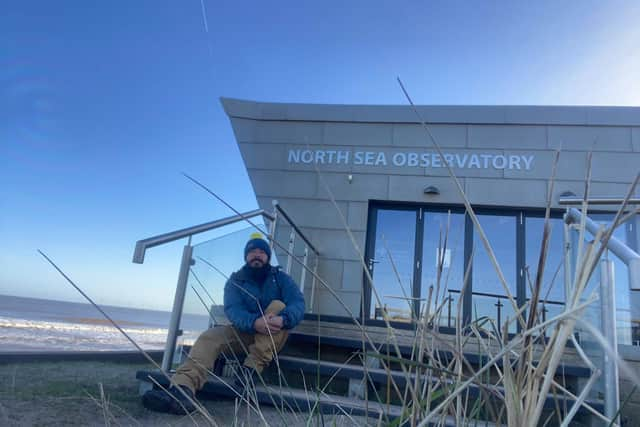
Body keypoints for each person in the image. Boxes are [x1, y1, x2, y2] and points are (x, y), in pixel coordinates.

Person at [142, 233, 306, 414]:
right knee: (210, 337)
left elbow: (298, 303)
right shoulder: (236, 281)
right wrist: (254, 323)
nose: (257, 255)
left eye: (261, 252)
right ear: (246, 256)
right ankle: (183, 391)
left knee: (278, 306)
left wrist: (283, 318)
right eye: (252, 252)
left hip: (275, 336)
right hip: (245, 331)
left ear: (267, 256)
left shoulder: (281, 278)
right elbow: (233, 310)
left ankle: (249, 371)